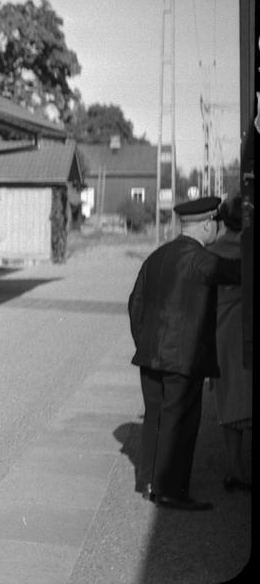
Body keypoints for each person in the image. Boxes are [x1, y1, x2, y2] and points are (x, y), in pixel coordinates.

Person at [128, 196, 242, 511]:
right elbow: (238, 272)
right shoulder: (200, 259)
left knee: (156, 417)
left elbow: (135, 304)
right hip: (182, 360)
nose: (218, 229)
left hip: (150, 357)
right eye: (216, 224)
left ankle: (149, 482)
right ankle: (171, 491)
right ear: (206, 225)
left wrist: (144, 343)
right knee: (181, 423)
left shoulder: (157, 256)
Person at [209, 195, 251, 492]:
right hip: (244, 332)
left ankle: (234, 466)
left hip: (223, 335)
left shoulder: (212, 250)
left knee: (231, 401)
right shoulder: (249, 249)